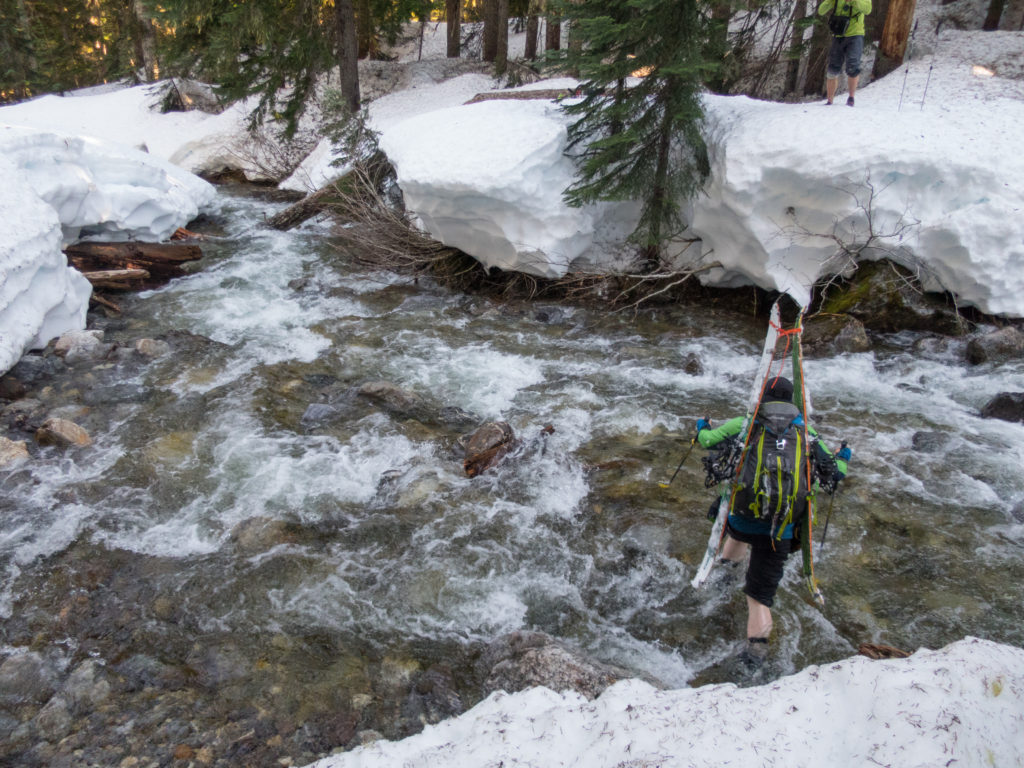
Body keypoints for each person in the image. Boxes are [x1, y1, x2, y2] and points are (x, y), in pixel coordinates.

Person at [695, 376, 850, 667]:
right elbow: (836, 472)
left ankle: (723, 579)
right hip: (781, 531)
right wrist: (844, 456)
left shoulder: (745, 424)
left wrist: (702, 425)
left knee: (738, 530)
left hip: (742, 520)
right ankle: (755, 656)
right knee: (759, 598)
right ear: (792, 402)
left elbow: (706, 441)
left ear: (763, 397)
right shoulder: (807, 434)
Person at [818, 0, 872, 106]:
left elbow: (867, 10)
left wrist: (854, 2)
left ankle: (851, 98)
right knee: (833, 68)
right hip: (838, 34)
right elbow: (821, 11)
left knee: (853, 66)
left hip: (856, 34)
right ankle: (830, 100)